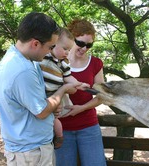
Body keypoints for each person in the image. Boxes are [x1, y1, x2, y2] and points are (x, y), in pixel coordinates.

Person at [0, 12, 78, 166]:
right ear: (35, 43)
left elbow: (34, 103)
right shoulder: (22, 70)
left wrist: (51, 106)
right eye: (51, 46)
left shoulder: (21, 58)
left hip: (29, 150)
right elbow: (41, 111)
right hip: (31, 154)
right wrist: (63, 90)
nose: (50, 51)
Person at [55, 19, 107, 166]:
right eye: (81, 43)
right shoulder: (57, 61)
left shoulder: (95, 63)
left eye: (89, 45)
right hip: (62, 128)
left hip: (88, 126)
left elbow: (102, 95)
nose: (84, 48)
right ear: (72, 39)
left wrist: (81, 109)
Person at [39, 27, 90, 149]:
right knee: (46, 118)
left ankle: (59, 136)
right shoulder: (43, 56)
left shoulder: (64, 63)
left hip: (54, 95)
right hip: (40, 94)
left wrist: (79, 84)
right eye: (65, 48)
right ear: (53, 44)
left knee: (54, 118)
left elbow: (68, 77)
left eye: (69, 49)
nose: (67, 52)